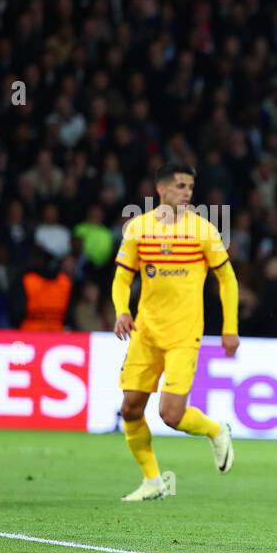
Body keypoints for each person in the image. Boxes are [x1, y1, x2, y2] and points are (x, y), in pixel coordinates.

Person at [113, 162, 238, 501]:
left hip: (184, 335)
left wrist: (230, 328)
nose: (187, 193)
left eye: (190, 187)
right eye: (181, 186)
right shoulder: (138, 229)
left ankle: (216, 430)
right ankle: (153, 481)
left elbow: (226, 278)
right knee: (131, 409)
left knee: (170, 415)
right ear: (162, 190)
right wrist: (122, 310)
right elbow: (123, 277)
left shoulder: (203, 230)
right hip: (146, 333)